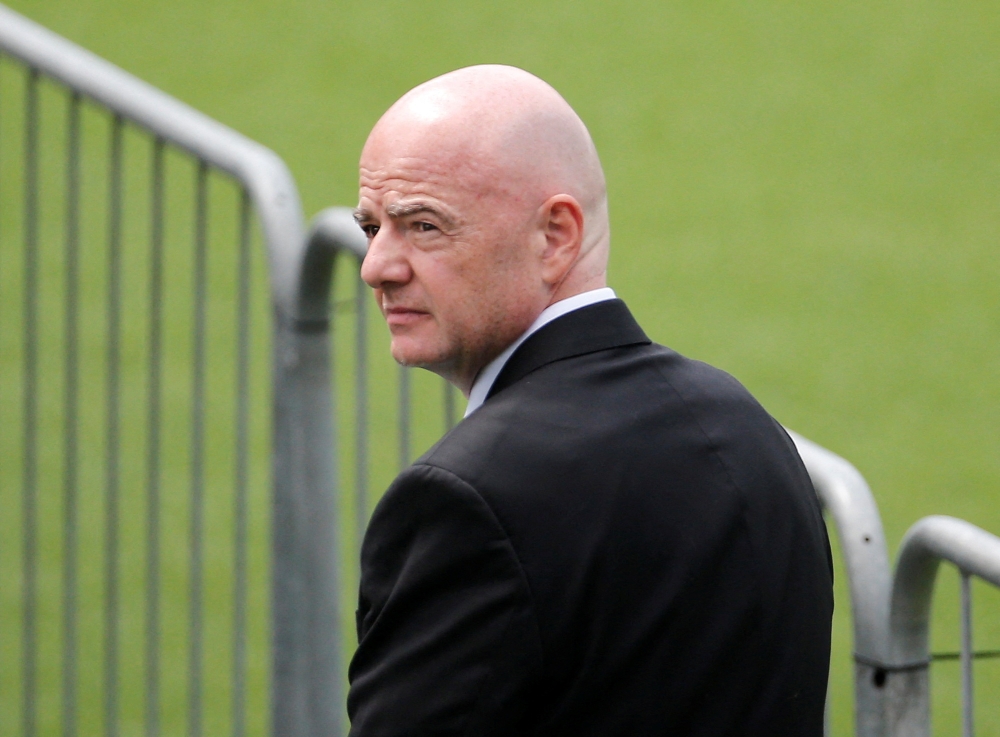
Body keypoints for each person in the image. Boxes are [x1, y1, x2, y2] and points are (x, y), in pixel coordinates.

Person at [349, 64, 833, 737]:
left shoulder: (465, 499)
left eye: (423, 226)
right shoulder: (749, 427)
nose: (377, 265)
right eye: (372, 227)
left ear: (555, 237)